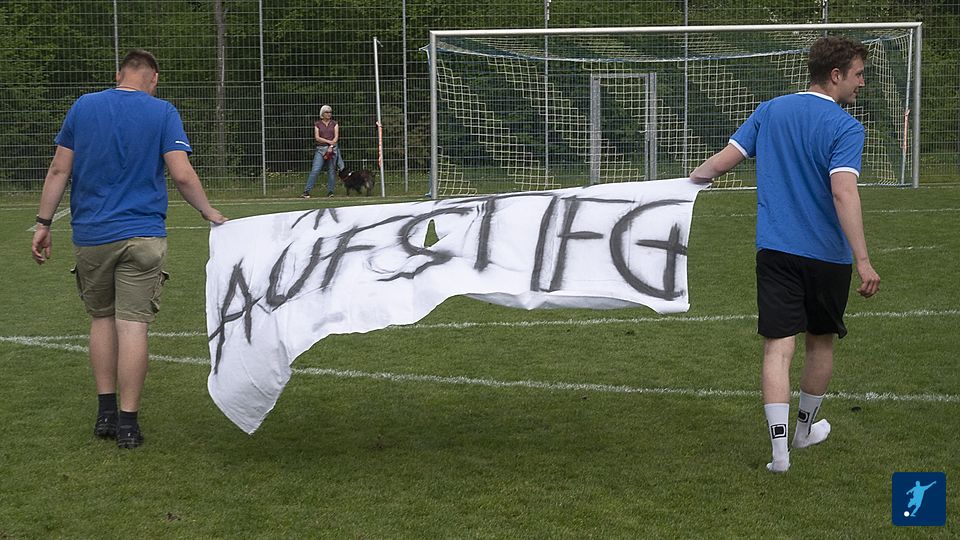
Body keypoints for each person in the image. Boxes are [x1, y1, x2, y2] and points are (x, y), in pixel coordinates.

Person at [689, 36, 881, 473]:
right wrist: (863, 260)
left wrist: (680, 187)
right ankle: (804, 431)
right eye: (858, 74)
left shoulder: (770, 110)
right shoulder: (846, 127)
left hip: (775, 251)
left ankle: (780, 454)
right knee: (820, 341)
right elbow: (843, 191)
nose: (862, 83)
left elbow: (720, 164)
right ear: (836, 75)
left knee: (778, 347)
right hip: (827, 257)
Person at [31, 49, 226, 449]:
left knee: (101, 319)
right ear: (153, 79)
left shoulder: (84, 107)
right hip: (143, 236)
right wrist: (209, 212)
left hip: (92, 235)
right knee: (133, 326)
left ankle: (105, 413)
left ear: (119, 74)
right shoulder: (163, 112)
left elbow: (59, 169)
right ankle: (128, 425)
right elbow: (182, 174)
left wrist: (43, 223)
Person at [301, 104, 344, 198]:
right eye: (327, 112)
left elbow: (336, 137)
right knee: (315, 169)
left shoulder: (335, 123)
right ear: (322, 114)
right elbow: (317, 138)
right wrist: (329, 142)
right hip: (320, 149)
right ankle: (306, 191)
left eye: (330, 112)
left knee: (331, 171)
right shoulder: (317, 124)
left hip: (332, 149)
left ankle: (330, 191)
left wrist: (331, 146)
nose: (329, 114)